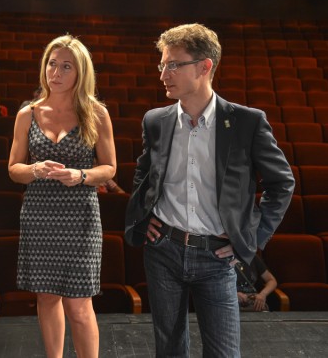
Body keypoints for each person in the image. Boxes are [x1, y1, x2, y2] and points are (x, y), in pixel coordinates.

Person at [124, 23, 295, 357]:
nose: (163, 75)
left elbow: (282, 183)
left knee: (223, 352)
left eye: (173, 65)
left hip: (217, 257)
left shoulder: (247, 122)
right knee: (169, 350)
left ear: (204, 67)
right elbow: (144, 174)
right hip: (163, 251)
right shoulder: (155, 121)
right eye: (162, 65)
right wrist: (144, 218)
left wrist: (251, 237)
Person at [8, 35, 116, 358]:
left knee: (79, 303)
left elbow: (109, 168)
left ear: (81, 72)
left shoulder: (96, 113)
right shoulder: (27, 114)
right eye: (52, 64)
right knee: (46, 297)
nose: (56, 72)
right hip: (40, 215)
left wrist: (81, 176)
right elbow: (14, 169)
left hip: (80, 216)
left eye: (66, 66)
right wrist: (36, 169)